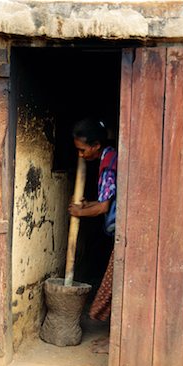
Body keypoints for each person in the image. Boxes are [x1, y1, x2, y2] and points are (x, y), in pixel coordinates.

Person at [68, 118, 117, 351]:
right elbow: (105, 201)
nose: (80, 155)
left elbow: (104, 208)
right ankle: (113, 338)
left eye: (82, 150)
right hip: (121, 234)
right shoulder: (108, 156)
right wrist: (85, 206)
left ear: (96, 145)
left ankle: (115, 341)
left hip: (128, 235)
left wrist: (81, 211)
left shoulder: (108, 163)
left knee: (117, 287)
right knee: (115, 286)